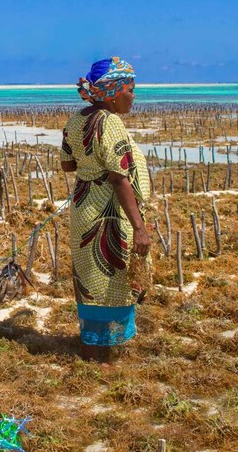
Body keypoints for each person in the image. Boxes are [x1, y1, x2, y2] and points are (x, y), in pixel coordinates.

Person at [60, 57, 151, 362]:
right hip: (107, 213)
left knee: (89, 280)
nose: (134, 96)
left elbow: (68, 164)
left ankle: (92, 348)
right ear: (112, 92)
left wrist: (90, 164)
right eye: (130, 89)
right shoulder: (110, 123)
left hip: (83, 208)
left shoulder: (76, 119)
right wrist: (139, 227)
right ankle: (104, 354)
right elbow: (119, 178)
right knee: (112, 278)